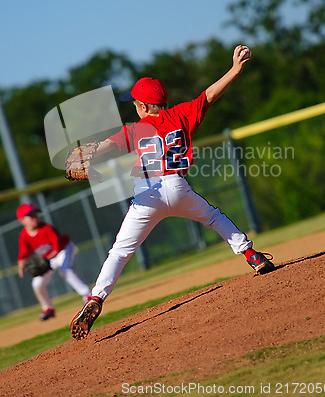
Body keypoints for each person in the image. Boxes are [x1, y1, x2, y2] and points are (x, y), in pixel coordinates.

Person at [70, 45, 275, 340]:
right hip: (179, 187)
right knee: (215, 218)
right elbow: (210, 95)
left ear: (141, 106)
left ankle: (95, 299)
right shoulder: (181, 115)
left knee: (120, 252)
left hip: (147, 196)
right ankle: (252, 255)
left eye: (135, 103)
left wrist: (86, 156)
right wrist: (235, 69)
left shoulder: (135, 128)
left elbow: (106, 147)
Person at [17, 203, 92, 320]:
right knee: (37, 283)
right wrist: (21, 266)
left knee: (64, 270)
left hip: (63, 249)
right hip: (48, 258)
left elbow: (57, 248)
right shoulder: (24, 235)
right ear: (22, 220)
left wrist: (46, 261)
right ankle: (48, 309)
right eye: (31, 216)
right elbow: (23, 254)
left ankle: (87, 295)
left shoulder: (46, 228)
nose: (35, 218)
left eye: (35, 215)